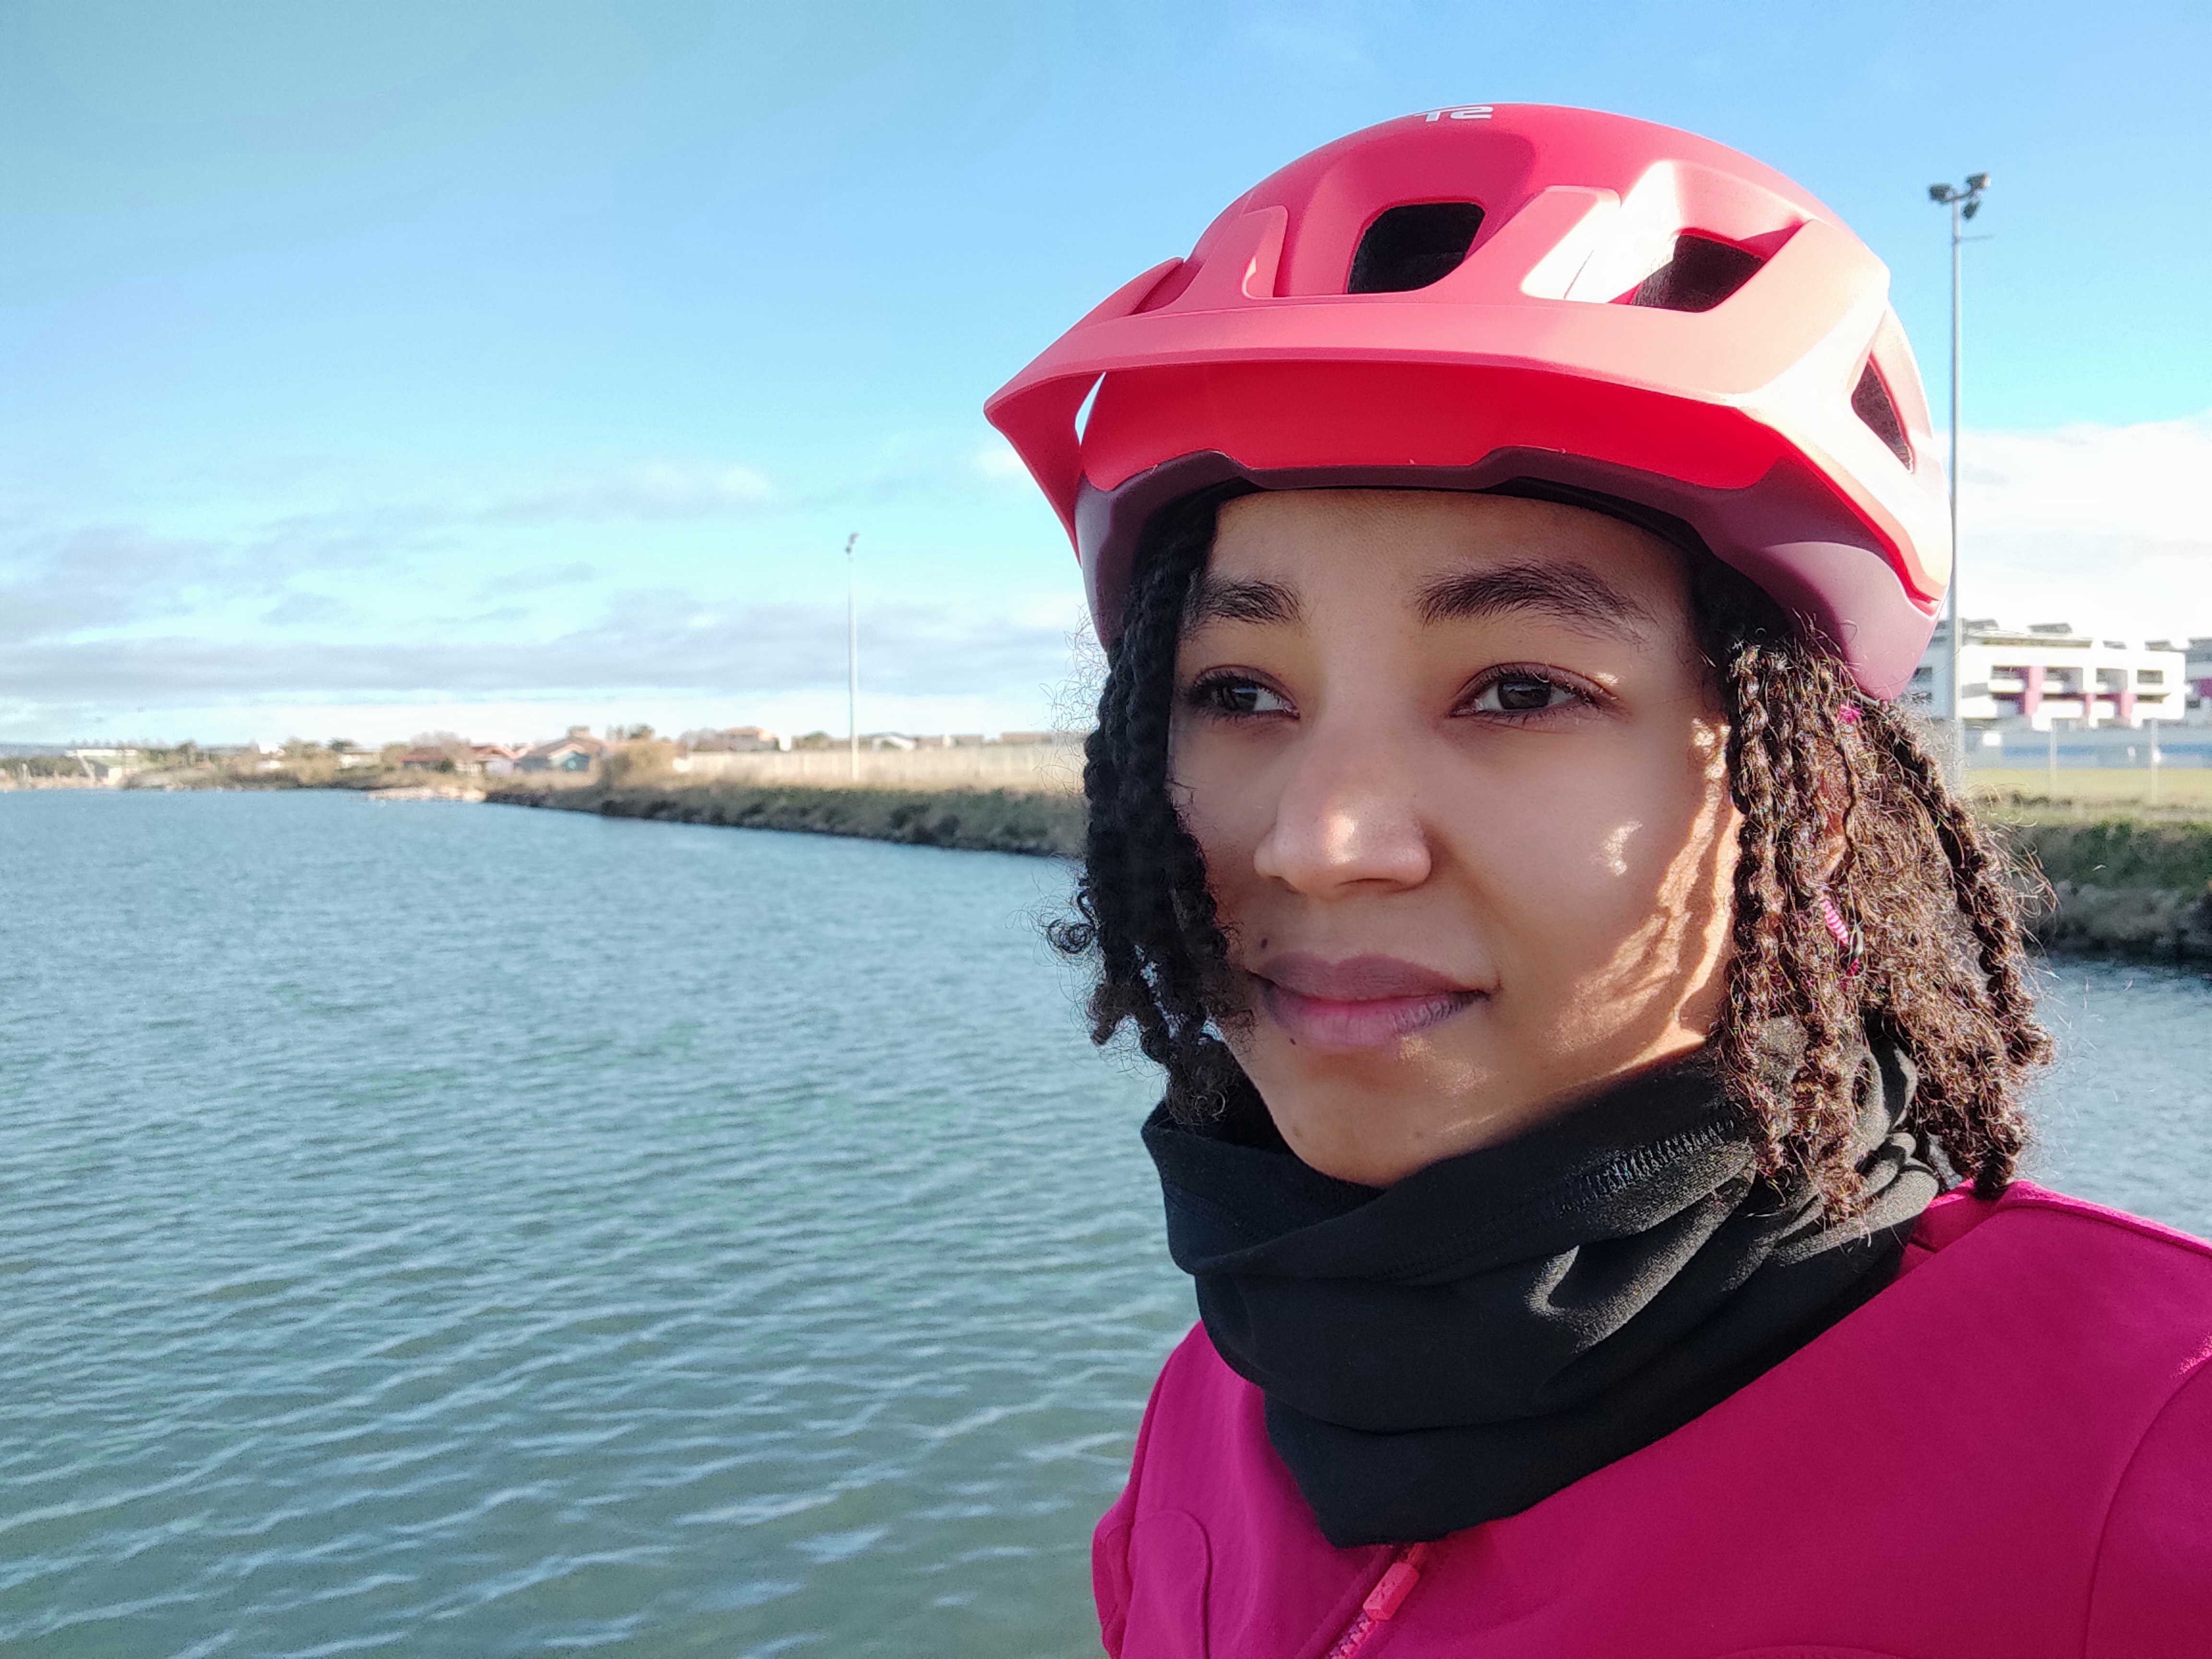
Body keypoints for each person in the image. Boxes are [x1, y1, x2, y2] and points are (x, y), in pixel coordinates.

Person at [985, 106, 2212, 1657]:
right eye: (1235, 692)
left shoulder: (2151, 1454)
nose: (1320, 841)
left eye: (1518, 691)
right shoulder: (1216, 1401)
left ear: (1815, 798)